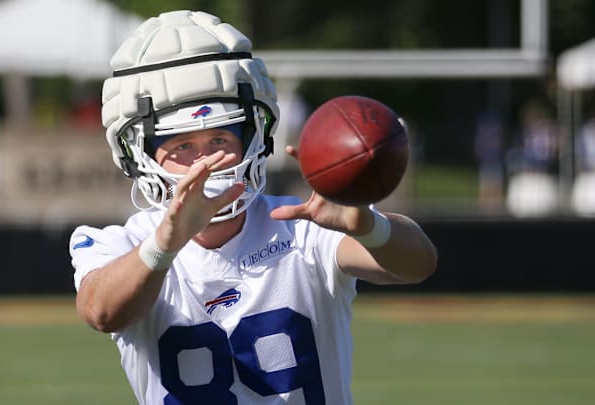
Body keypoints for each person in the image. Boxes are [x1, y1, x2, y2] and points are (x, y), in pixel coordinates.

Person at [70, 10, 437, 404]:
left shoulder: (302, 229)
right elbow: (101, 311)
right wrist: (165, 244)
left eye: (220, 141)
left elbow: (418, 264)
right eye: (182, 146)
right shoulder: (123, 243)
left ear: (252, 140)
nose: (204, 162)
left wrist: (368, 226)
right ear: (142, 157)